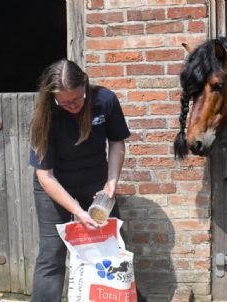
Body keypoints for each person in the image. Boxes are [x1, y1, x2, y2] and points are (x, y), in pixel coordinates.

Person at [29, 59, 146, 301]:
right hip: (55, 185)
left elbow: (116, 142)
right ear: (53, 99)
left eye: (77, 99)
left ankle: (119, 296)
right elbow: (45, 176)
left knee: (111, 245)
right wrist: (79, 213)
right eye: (65, 102)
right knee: (52, 253)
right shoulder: (45, 117)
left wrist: (111, 183)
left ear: (85, 85)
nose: (73, 106)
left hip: (95, 181)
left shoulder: (105, 101)